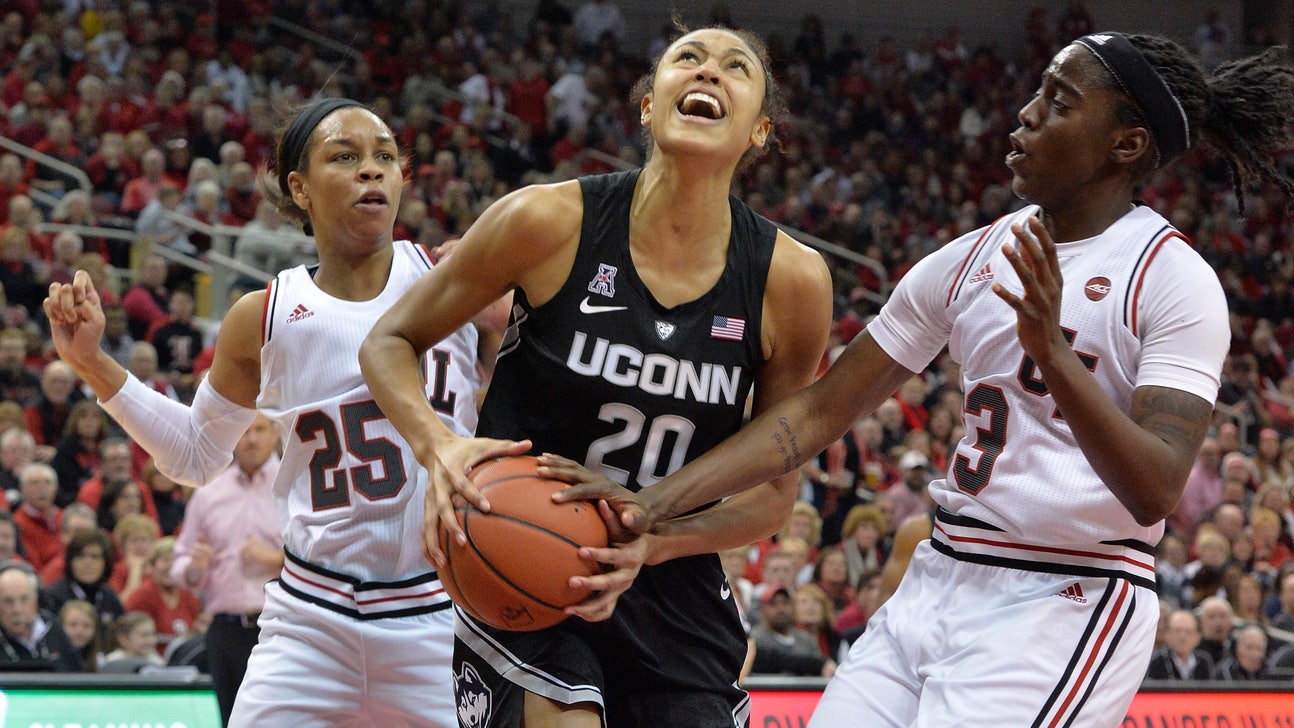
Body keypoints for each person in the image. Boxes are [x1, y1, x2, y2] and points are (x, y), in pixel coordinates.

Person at [556, 33, 1294, 726]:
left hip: (1067, 594)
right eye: (1037, 92)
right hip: (940, 574)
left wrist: (1053, 354)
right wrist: (651, 505)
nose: (1027, 115)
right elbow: (815, 416)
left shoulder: (1172, 280)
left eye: (1059, 102)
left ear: (1125, 146)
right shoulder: (972, 257)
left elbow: (1158, 486)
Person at [361, 25, 831, 727]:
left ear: (759, 131)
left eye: (736, 68)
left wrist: (659, 538)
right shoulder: (546, 220)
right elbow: (389, 341)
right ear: (648, 106)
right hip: (526, 553)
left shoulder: (790, 282)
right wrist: (442, 448)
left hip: (673, 589)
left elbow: (771, 495)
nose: (708, 74)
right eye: (688, 60)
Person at [46, 97, 494, 727]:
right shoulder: (264, 314)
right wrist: (93, 363)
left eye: (385, 157)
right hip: (311, 624)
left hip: (442, 620)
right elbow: (197, 455)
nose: (372, 171)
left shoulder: (462, 279)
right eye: (346, 156)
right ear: (300, 188)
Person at [171, 415, 282, 723]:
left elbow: (320, 554)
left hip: (282, 625)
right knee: (231, 720)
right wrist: (195, 568)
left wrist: (276, 559)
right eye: (243, 431)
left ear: (276, 433)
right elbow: (180, 561)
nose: (250, 440)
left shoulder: (295, 485)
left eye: (259, 430)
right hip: (226, 630)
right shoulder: (208, 495)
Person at [0, 560, 84, 672]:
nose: (17, 609)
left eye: (24, 599)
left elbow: (78, 675)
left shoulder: (52, 627)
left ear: (36, 600)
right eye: (8, 601)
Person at [1146, 608, 1214, 679]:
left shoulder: (1204, 661)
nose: (1182, 637)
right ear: (1167, 634)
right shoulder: (1156, 661)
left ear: (1198, 636)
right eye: (1177, 631)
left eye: (1188, 631)